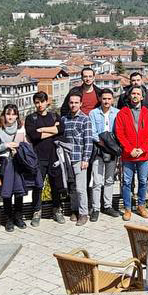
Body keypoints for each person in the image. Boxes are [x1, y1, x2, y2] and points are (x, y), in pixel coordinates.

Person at [115, 85, 148, 221]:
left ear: (142, 97)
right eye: (133, 93)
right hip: (128, 155)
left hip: (143, 155)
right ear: (129, 96)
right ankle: (127, 209)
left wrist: (143, 149)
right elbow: (119, 133)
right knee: (127, 182)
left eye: (138, 94)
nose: (135, 96)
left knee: (143, 181)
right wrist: (129, 149)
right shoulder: (122, 113)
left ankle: (141, 206)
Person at [25, 92, 67, 226]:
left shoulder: (54, 115)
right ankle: (36, 212)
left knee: (56, 185)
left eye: (42, 102)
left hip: (54, 156)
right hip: (38, 157)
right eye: (37, 102)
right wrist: (52, 130)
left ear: (46, 102)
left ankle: (57, 210)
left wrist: (42, 129)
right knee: (38, 185)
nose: (39, 105)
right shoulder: (31, 118)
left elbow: (61, 129)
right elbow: (33, 136)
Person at [0, 105, 30, 232]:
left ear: (17, 116)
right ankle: (8, 219)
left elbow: (27, 143)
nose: (10, 117)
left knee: (19, 191)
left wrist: (18, 146)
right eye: (8, 114)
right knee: (7, 192)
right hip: (5, 162)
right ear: (4, 115)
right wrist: (7, 145)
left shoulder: (21, 128)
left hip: (18, 161)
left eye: (13, 114)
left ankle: (18, 217)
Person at [60, 93, 94, 225]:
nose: (73, 105)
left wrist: (86, 158)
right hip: (67, 159)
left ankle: (83, 213)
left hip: (79, 158)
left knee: (81, 188)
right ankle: (74, 210)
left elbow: (89, 141)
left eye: (76, 102)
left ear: (80, 104)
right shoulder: (64, 119)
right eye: (71, 102)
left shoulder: (85, 119)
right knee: (72, 187)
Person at [88, 88, 121, 219]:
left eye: (109, 99)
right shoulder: (93, 113)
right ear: (100, 99)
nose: (106, 101)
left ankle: (107, 206)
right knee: (97, 180)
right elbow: (93, 132)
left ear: (112, 100)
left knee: (109, 179)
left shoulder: (117, 113)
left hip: (113, 150)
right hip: (99, 149)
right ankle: (95, 208)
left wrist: (113, 146)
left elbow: (119, 131)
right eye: (104, 99)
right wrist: (104, 144)